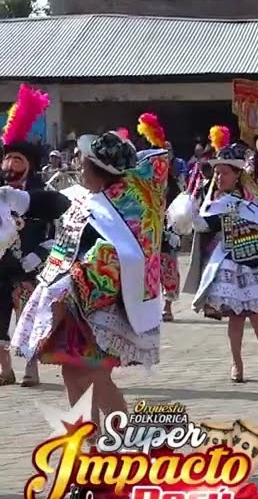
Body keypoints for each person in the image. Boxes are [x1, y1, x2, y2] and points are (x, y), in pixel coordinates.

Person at [13, 130, 169, 423]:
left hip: (101, 306)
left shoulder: (121, 210)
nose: (78, 168)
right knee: (72, 372)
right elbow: (57, 215)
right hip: (73, 305)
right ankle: (91, 441)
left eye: (83, 164)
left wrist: (73, 281)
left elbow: (117, 257)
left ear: (98, 172)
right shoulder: (90, 200)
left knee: (95, 374)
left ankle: (122, 440)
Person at [169, 140, 258, 383]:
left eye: (224, 172)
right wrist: (189, 216)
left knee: (257, 313)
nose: (219, 176)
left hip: (254, 259)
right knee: (236, 317)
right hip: (228, 261)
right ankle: (237, 365)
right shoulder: (212, 199)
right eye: (217, 172)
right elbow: (206, 225)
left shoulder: (252, 198)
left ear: (237, 175)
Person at [1, 85, 71, 387]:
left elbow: (59, 233)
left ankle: (31, 367)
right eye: (8, 160)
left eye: (17, 160)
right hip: (2, 266)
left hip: (31, 267)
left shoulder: (44, 197)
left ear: (28, 164)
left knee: (30, 319)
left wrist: (39, 256)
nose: (11, 166)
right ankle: (5, 369)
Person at [134, 114, 184, 324]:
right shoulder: (142, 178)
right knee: (144, 267)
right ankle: (145, 306)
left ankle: (168, 305)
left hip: (167, 223)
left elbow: (183, 197)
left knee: (168, 264)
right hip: (146, 225)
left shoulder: (175, 177)